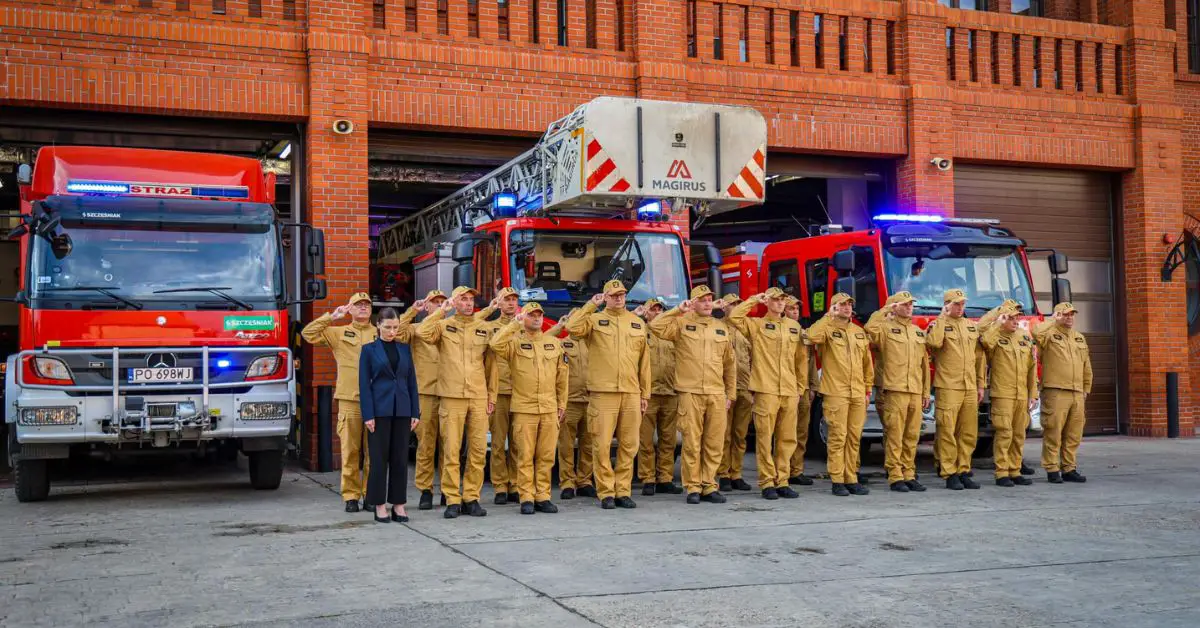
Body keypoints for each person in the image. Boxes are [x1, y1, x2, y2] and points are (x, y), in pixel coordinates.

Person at [564, 279, 652, 510]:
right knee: (601, 444)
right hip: (603, 393)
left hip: (631, 392)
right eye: (613, 295)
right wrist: (591, 305)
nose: (619, 298)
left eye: (621, 294)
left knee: (629, 445)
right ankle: (606, 492)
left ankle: (623, 490)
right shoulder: (594, 320)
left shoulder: (636, 323)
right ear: (605, 297)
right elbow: (572, 327)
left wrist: (645, 393)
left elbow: (644, 362)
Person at [648, 285, 736, 504]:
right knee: (692, 442)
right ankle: (693, 486)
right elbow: (656, 325)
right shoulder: (681, 324)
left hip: (716, 392)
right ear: (693, 303)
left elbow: (730, 364)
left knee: (714, 442)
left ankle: (709, 485)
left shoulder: (721, 327)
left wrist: (730, 393)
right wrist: (677, 309)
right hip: (690, 391)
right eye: (702, 300)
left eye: (709, 299)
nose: (707, 303)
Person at [416, 286, 493, 519]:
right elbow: (422, 332)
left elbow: (492, 365)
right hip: (451, 397)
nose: (469, 303)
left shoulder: (484, 328)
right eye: (463, 299)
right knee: (451, 450)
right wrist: (442, 311)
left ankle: (471, 497)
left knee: (478, 450)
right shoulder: (442, 325)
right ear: (454, 302)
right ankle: (452, 498)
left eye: (471, 300)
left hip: (478, 396)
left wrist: (493, 395)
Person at [728, 287, 809, 500]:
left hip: (789, 390)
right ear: (768, 302)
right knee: (764, 438)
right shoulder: (757, 325)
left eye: (783, 299)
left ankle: (782, 480)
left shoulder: (794, 327)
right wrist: (754, 299)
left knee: (787, 438)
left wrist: (800, 387)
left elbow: (801, 360)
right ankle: (766, 482)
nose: (780, 303)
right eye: (775, 299)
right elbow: (735, 316)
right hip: (766, 389)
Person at [301, 292, 378, 513]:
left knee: (373, 452)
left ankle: (371, 495)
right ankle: (351, 496)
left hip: (376, 401)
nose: (363, 308)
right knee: (351, 451)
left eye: (366, 305)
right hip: (350, 400)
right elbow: (308, 334)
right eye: (358, 305)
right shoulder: (339, 333)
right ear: (350, 309)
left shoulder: (380, 333)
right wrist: (331, 317)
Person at [489, 302, 569, 514]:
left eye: (539, 315)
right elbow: (495, 344)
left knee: (546, 455)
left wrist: (562, 403)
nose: (536, 318)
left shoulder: (553, 343)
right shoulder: (514, 343)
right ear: (523, 318)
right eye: (531, 315)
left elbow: (562, 377)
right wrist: (514, 324)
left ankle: (542, 495)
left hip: (549, 407)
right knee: (524, 454)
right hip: (524, 408)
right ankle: (526, 496)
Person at [806, 293, 873, 497]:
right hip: (836, 392)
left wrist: (867, 388)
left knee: (854, 437)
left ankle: (851, 477)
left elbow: (866, 364)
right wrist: (828, 316)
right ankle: (837, 479)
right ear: (834, 307)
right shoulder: (826, 329)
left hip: (857, 392)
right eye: (841, 305)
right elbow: (810, 336)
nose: (846, 307)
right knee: (837, 437)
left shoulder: (858, 332)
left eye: (849, 304)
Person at [358, 308, 421, 523]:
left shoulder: (404, 349)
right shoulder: (368, 350)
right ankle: (378, 505)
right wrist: (368, 414)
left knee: (400, 459)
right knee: (378, 460)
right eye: (387, 327)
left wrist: (415, 411)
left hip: (402, 410)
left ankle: (399, 505)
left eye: (395, 327)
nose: (392, 331)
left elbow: (411, 382)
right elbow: (364, 385)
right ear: (378, 326)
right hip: (379, 411)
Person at [864, 292, 931, 493]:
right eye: (905, 304)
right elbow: (870, 327)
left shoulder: (917, 331)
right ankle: (895, 474)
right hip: (895, 389)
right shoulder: (885, 329)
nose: (910, 307)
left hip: (915, 390)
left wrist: (925, 392)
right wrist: (887, 309)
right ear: (895, 307)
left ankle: (909, 473)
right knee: (895, 434)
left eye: (911, 304)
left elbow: (924, 365)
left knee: (912, 435)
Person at [925, 288, 987, 491]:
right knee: (947, 431)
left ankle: (963, 470)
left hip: (969, 387)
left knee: (968, 432)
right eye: (956, 304)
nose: (960, 308)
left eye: (962, 304)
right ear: (947, 305)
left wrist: (980, 385)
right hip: (948, 386)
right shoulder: (938, 325)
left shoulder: (971, 327)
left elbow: (979, 359)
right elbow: (933, 343)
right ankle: (949, 472)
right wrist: (942, 317)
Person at [394, 290, 449, 511]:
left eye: (442, 302)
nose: (437, 305)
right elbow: (395, 332)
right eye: (433, 302)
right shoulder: (416, 330)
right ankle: (425, 490)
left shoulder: (453, 328)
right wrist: (412, 311)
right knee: (426, 444)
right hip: (425, 394)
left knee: (449, 445)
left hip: (449, 393)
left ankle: (448, 489)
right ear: (426, 307)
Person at [1033, 302, 1093, 484]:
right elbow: (1036, 332)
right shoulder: (1049, 334)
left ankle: (1069, 468)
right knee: (1054, 431)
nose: (1069, 318)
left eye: (1071, 315)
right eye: (1065, 314)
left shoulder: (1079, 338)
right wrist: (1053, 320)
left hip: (1077, 392)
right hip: (1056, 391)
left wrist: (1086, 389)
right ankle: (1052, 469)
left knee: (1074, 434)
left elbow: (1086, 365)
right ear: (1058, 315)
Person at [980, 305, 1038, 487]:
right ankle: (1002, 472)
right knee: (1004, 433)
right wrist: (998, 323)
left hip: (1021, 394)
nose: (1014, 321)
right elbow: (985, 343)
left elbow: (1031, 368)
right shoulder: (995, 336)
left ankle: (1015, 470)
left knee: (1019, 434)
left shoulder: (1023, 337)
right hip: (1003, 394)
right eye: (1010, 318)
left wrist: (1032, 394)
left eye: (1016, 318)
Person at [634, 297, 683, 496]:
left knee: (668, 440)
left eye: (660, 309)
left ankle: (665, 478)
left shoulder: (671, 334)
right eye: (653, 310)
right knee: (645, 440)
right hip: (649, 394)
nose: (657, 312)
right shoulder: (640, 332)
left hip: (670, 392)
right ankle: (647, 478)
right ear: (646, 313)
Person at [547, 312, 596, 500]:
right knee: (566, 445)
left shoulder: (594, 342)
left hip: (591, 400)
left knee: (589, 444)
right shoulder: (561, 344)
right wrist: (560, 325)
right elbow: (543, 340)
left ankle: (585, 481)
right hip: (569, 402)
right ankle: (567, 482)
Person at [482, 286, 522, 505]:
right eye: (506, 300)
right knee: (498, 443)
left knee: (517, 443)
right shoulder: (489, 328)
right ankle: (500, 485)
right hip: (498, 392)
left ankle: (515, 484)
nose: (511, 303)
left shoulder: (524, 327)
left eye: (514, 300)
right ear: (498, 303)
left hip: (520, 392)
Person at [716, 293, 756, 493]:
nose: (735, 306)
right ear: (723, 307)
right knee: (724, 434)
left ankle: (736, 473)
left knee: (740, 435)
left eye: (738, 304)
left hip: (745, 386)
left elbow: (754, 357)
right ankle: (723, 473)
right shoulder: (717, 326)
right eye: (731, 304)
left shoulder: (745, 328)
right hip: (724, 388)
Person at [785, 296, 819, 486]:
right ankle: (781, 470)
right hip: (786, 388)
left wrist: (813, 386)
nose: (795, 312)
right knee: (784, 432)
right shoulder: (779, 333)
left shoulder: (804, 335)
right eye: (791, 309)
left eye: (797, 309)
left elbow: (811, 363)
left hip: (804, 389)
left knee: (801, 432)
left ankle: (796, 470)